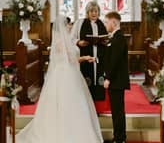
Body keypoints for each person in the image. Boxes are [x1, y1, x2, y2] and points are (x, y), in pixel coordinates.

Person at [15, 15, 103, 143]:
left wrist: (84, 57)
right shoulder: (60, 43)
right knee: (64, 103)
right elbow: (71, 59)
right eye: (68, 24)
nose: (70, 26)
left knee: (75, 103)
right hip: (64, 75)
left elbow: (71, 59)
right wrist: (85, 58)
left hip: (71, 73)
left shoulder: (67, 40)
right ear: (63, 26)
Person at [71, 1, 107, 101]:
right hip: (85, 56)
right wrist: (79, 42)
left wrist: (104, 41)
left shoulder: (102, 24)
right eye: (91, 11)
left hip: (99, 55)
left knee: (98, 77)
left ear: (98, 12)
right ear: (87, 12)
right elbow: (71, 38)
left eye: (96, 11)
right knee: (87, 77)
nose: (94, 13)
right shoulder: (80, 23)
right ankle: (86, 101)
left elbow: (107, 38)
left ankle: (98, 101)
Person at [103, 11, 130, 143]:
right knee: (116, 111)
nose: (105, 24)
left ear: (114, 23)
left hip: (116, 80)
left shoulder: (119, 38)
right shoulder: (115, 37)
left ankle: (120, 138)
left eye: (107, 22)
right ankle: (118, 137)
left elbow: (115, 61)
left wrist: (108, 78)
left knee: (118, 111)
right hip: (116, 80)